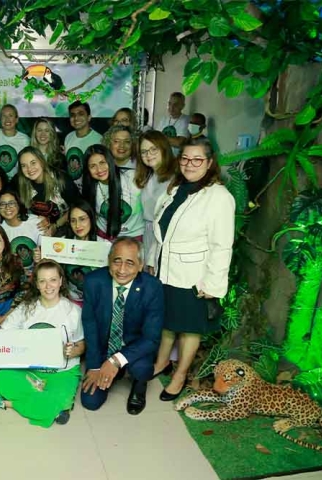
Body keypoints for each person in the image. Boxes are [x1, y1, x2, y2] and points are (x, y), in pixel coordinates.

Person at [148, 137, 235, 401]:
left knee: (189, 328)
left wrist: (213, 284)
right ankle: (161, 363)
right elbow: (162, 232)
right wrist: (153, 261)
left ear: (209, 163)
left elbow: (222, 245)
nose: (190, 164)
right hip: (166, 269)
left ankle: (180, 375)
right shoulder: (176, 188)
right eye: (185, 158)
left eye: (197, 159)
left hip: (194, 276)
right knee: (167, 322)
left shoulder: (219, 197)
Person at [0, 260, 84, 427]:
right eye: (42, 281)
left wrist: (74, 350)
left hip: (63, 371)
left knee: (61, 401)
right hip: (30, 370)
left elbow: (82, 343)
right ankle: (48, 403)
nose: (48, 286)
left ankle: (7, 403)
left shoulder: (73, 311)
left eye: (53, 280)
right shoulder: (27, 307)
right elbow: (3, 332)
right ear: (36, 284)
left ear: (61, 281)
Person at [81, 237, 164, 415]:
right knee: (90, 402)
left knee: (142, 369)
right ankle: (115, 370)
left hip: (133, 347)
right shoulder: (93, 282)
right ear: (109, 260)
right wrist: (95, 366)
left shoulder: (152, 287)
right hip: (104, 346)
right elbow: (90, 324)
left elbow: (151, 339)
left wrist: (115, 360)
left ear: (140, 265)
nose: (122, 270)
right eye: (117, 261)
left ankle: (138, 385)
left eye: (130, 263)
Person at [12, 146, 79, 237]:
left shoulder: (61, 179)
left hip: (66, 228)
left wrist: (55, 225)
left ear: (42, 162)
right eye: (24, 165)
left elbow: (77, 206)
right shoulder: (19, 181)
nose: (29, 169)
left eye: (33, 163)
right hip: (38, 229)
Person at [82, 144, 144, 241]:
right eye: (93, 166)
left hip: (135, 236)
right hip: (104, 236)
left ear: (110, 161)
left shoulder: (132, 177)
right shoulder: (90, 186)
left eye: (102, 162)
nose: (99, 169)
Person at [135, 131, 177, 262]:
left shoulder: (175, 178)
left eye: (153, 149)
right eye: (144, 151)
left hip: (165, 236)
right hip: (148, 234)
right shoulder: (148, 175)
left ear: (164, 149)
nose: (148, 155)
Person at [62, 199, 109, 305]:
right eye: (73, 220)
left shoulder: (105, 246)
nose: (77, 225)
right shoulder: (63, 242)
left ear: (91, 219)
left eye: (82, 219)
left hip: (97, 301)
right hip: (71, 300)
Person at [0, 188, 43, 275]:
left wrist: (41, 256)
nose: (7, 207)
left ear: (19, 204)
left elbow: (47, 253)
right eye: (3, 204)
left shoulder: (35, 222)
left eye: (11, 203)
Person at [64, 101, 103, 191]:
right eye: (72, 115)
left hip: (92, 191)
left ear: (89, 117)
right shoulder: (68, 137)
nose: (76, 118)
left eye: (80, 114)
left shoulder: (99, 140)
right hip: (72, 190)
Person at [0, 104, 30, 178]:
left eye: (10, 115)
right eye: (4, 116)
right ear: (0, 119)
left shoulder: (25, 140)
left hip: (16, 181)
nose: (7, 119)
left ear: (16, 119)